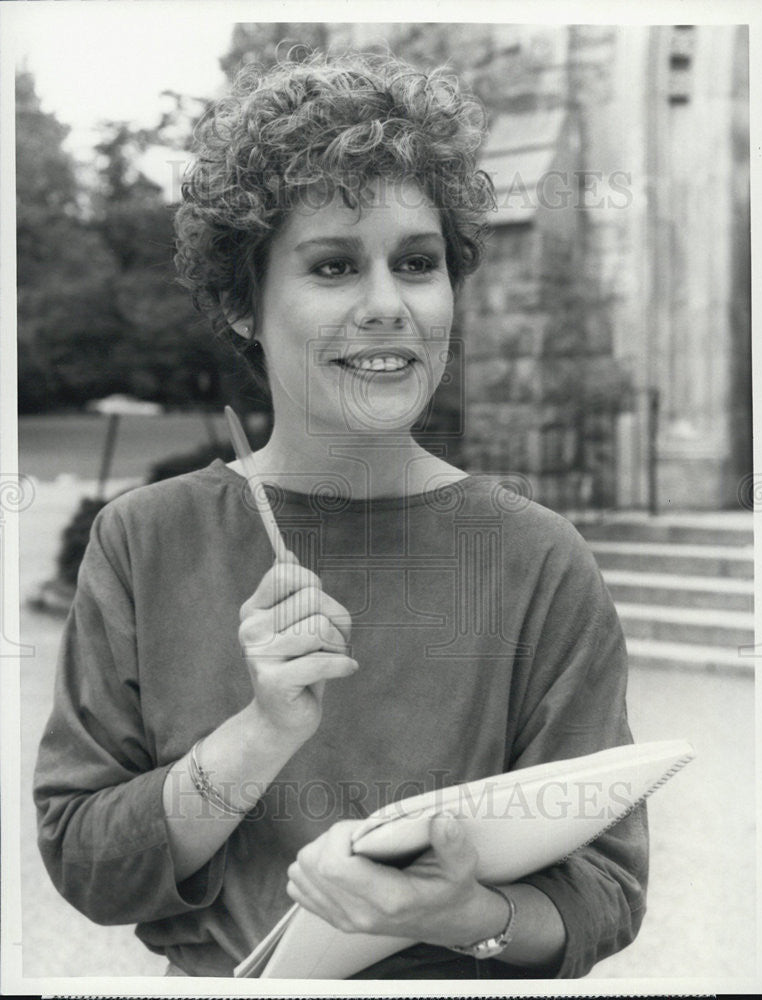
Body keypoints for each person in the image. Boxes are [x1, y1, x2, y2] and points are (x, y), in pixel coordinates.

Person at [33, 47, 648, 979]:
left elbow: (604, 893)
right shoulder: (143, 541)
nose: (386, 305)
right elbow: (87, 861)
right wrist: (258, 733)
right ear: (245, 303)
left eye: (416, 262)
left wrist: (466, 913)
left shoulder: (536, 560)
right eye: (331, 266)